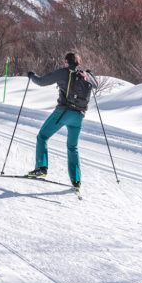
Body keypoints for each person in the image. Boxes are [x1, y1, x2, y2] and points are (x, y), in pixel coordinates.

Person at [25, 52, 92, 190]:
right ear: (78, 62)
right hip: (79, 115)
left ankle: (41, 168)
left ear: (67, 62)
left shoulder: (64, 72)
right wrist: (88, 75)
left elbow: (42, 81)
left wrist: (32, 76)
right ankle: (76, 181)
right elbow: (95, 85)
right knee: (72, 147)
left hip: (64, 112)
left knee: (42, 136)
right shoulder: (83, 75)